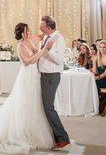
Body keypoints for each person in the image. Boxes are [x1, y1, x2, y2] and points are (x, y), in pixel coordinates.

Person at [0, 22, 55, 153]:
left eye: (29, 30)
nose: (30, 32)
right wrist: (44, 50)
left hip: (35, 75)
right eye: (27, 31)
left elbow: (43, 34)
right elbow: (29, 61)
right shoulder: (21, 46)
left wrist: (50, 29)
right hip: (26, 76)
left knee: (35, 102)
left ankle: (32, 130)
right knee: (23, 103)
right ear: (22, 33)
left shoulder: (31, 40)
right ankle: (20, 132)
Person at [37, 15, 70, 150]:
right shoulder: (46, 37)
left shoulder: (58, 39)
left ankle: (63, 138)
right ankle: (55, 137)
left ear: (49, 27)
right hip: (44, 75)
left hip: (52, 76)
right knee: (45, 106)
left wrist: (48, 50)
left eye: (42, 27)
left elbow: (58, 60)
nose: (40, 29)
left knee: (48, 107)